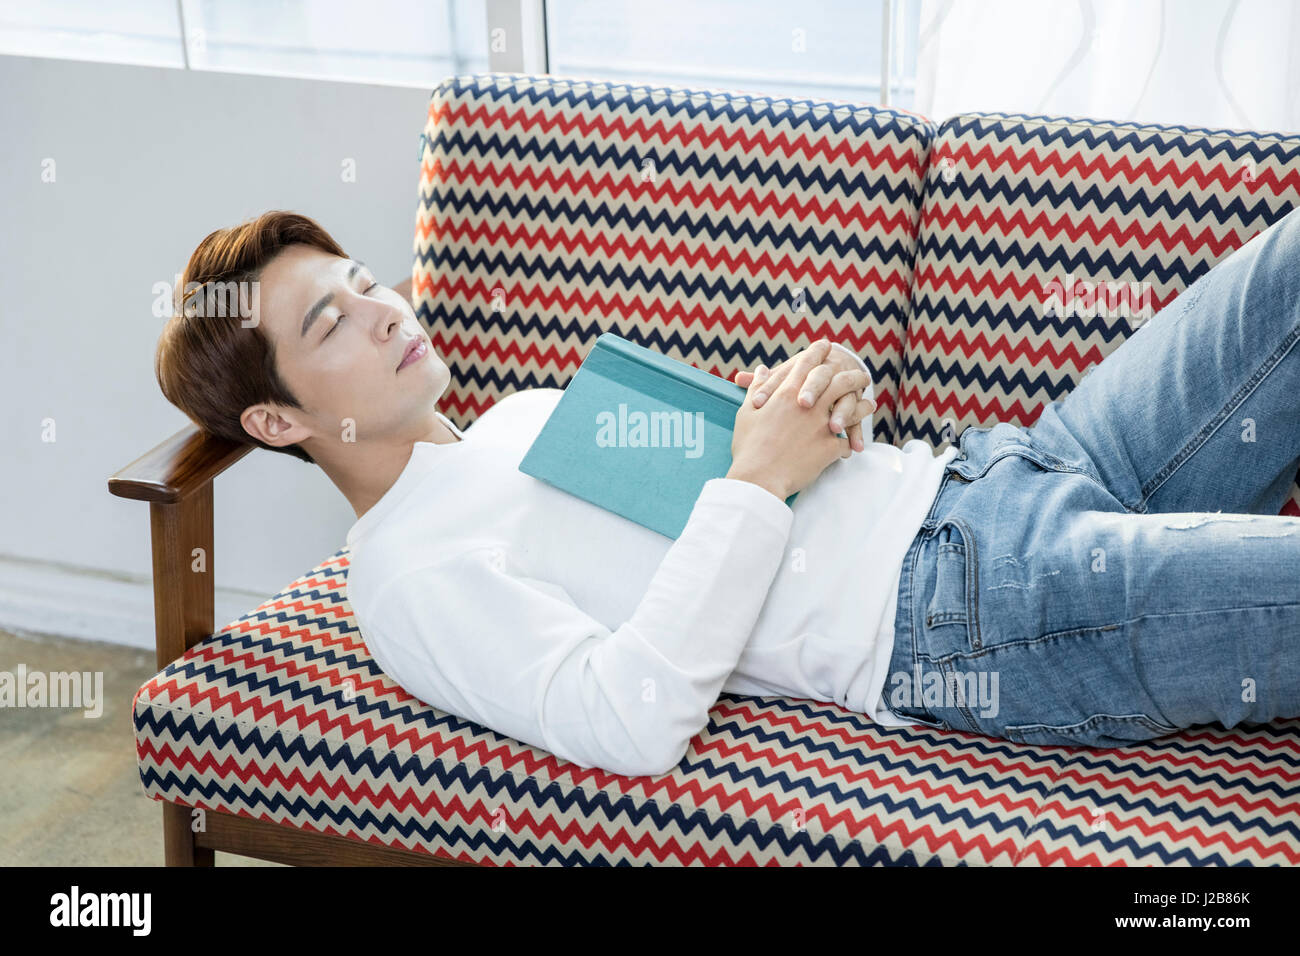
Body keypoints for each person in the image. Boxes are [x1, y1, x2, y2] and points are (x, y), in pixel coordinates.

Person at [154, 206, 1300, 774]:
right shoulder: (407, 577)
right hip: (978, 611)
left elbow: (765, 479)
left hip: (1004, 467)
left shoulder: (523, 415)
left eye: (362, 280)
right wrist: (758, 477)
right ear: (278, 419)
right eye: (330, 321)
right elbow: (623, 717)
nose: (384, 308)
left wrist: (825, 399)